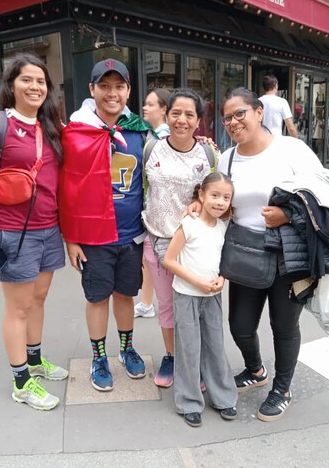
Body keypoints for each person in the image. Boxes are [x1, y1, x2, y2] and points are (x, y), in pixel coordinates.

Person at [217, 87, 324, 422]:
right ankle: (255, 369)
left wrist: (288, 215)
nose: (233, 122)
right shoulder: (227, 158)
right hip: (245, 252)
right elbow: (220, 199)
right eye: (227, 118)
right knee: (240, 325)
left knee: (283, 325)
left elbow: (326, 195)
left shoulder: (291, 150)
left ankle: (283, 388)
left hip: (287, 253)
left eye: (240, 114)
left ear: (259, 112)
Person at [0, 52, 68, 411]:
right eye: (26, 79)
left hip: (48, 229)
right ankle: (21, 381)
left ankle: (35, 360)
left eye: (41, 81)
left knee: (38, 299)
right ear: (11, 85)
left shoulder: (51, 127)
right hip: (13, 232)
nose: (35, 86)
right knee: (19, 307)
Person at [59, 59, 150, 391]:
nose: (113, 93)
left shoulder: (140, 130)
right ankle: (99, 356)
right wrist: (71, 238)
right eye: (105, 86)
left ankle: (126, 349)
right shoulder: (76, 132)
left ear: (128, 90)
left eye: (120, 86)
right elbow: (66, 188)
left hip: (131, 234)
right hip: (94, 236)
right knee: (97, 298)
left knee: (125, 295)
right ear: (92, 90)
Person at [142, 88, 217, 388]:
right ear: (166, 114)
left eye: (189, 115)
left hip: (192, 243)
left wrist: (202, 202)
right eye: (176, 113)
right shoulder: (150, 149)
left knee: (193, 305)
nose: (182, 120)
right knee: (167, 305)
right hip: (157, 239)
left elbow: (217, 194)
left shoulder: (209, 154)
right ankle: (172, 355)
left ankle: (194, 360)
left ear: (199, 121)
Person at [162, 172, 238, 427]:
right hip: (187, 296)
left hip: (213, 296)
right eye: (215, 195)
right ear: (201, 195)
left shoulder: (224, 227)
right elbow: (169, 260)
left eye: (226, 197)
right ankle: (189, 402)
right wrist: (196, 282)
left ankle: (223, 397)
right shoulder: (189, 224)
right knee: (189, 348)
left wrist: (222, 279)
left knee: (215, 346)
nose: (220, 202)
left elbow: (223, 261)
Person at [134, 88, 172, 319]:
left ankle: (152, 303)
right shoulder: (151, 134)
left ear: (164, 109)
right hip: (152, 210)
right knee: (148, 260)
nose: (145, 108)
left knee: (155, 260)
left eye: (150, 104)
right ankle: (147, 303)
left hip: (158, 214)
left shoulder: (163, 138)